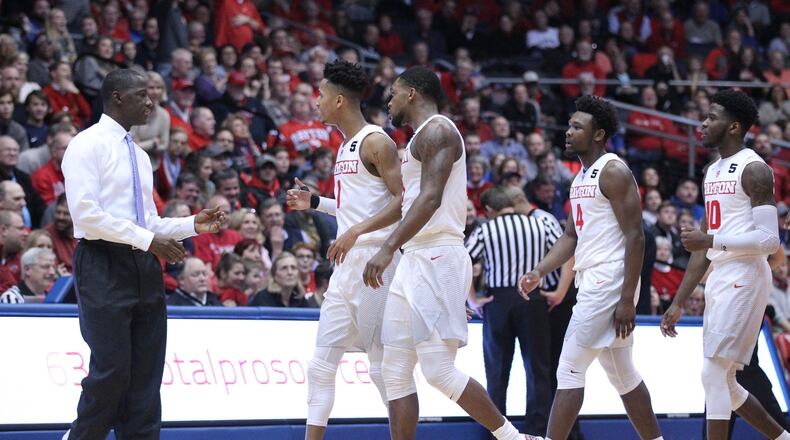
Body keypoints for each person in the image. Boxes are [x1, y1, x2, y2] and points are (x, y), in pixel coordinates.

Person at [362, 66, 528, 440]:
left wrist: (387, 248)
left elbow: (431, 198)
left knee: (438, 370)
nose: (388, 101)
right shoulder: (420, 138)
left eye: (393, 92)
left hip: (437, 254)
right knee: (394, 368)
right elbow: (406, 203)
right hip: (416, 257)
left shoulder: (438, 130)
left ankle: (512, 438)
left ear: (413, 93)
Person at [60, 69, 224, 440]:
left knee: (146, 376)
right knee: (112, 370)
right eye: (143, 94)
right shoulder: (86, 144)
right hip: (102, 262)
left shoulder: (138, 152)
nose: (152, 102)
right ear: (117, 97)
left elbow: (147, 220)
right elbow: (86, 215)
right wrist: (147, 241)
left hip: (142, 264)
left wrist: (194, 225)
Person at [519, 95, 663, 440]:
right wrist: (539, 270)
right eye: (569, 125)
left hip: (610, 281)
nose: (568, 132)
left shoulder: (613, 171)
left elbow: (636, 237)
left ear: (598, 134)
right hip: (594, 278)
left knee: (569, 368)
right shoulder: (580, 178)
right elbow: (571, 235)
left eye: (576, 127)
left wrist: (628, 299)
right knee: (623, 375)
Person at [661, 89, 790, 440]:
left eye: (711, 117)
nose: (703, 123)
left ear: (734, 126)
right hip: (722, 274)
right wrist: (678, 300)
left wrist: (712, 241)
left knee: (713, 373)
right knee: (726, 380)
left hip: (746, 275)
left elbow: (769, 240)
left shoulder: (754, 169)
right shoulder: (713, 170)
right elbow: (704, 243)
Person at [284, 60, 403, 440]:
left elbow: (403, 203)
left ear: (338, 100)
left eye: (319, 94)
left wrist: (354, 232)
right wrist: (315, 203)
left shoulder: (376, 140)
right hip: (347, 263)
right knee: (321, 365)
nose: (315, 101)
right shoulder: (345, 146)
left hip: (378, 262)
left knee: (381, 367)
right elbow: (357, 207)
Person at [465, 187, 561, 437]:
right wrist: (557, 290)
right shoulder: (539, 225)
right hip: (533, 299)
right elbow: (564, 255)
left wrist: (473, 299)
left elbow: (464, 261)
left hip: (499, 300)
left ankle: (496, 432)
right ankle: (539, 432)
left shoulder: (486, 228)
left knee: (497, 371)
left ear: (488, 210)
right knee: (538, 369)